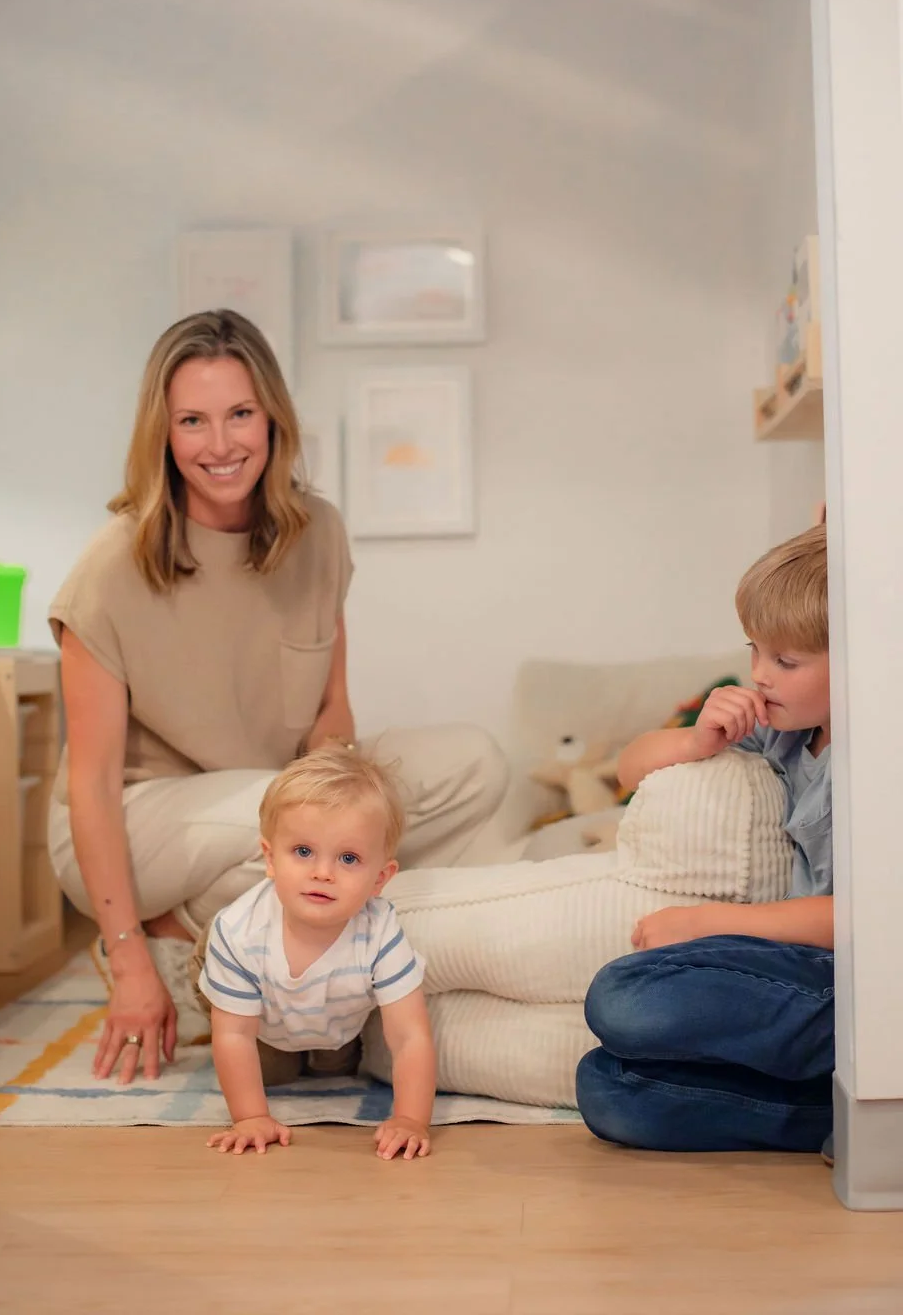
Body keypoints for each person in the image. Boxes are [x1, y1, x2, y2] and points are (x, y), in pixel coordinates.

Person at [46, 309, 507, 1082]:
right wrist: (132, 968)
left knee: (473, 763)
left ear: (273, 419)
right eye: (192, 420)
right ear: (162, 432)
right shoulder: (111, 567)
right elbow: (90, 782)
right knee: (308, 837)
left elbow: (332, 713)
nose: (219, 445)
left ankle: (271, 940)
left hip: (268, 812)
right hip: (138, 820)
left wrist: (341, 799)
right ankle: (152, 928)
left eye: (240, 415)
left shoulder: (317, 532)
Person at [575, 524, 835, 1154]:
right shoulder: (783, 731)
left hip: (858, 981)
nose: (759, 675)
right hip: (804, 969)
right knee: (608, 1088)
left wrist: (705, 923)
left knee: (623, 996)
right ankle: (828, 1117)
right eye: (755, 651)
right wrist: (696, 740)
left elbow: (872, 920)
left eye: (786, 661)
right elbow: (629, 769)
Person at [198, 747, 435, 1161]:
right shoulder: (239, 932)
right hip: (259, 1016)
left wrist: (411, 1119)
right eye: (303, 852)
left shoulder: (380, 930)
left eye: (348, 858)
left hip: (333, 1020)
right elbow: (234, 1035)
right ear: (270, 858)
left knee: (336, 1067)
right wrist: (251, 1117)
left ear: (381, 878)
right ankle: (184, 962)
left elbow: (409, 1035)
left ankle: (318, 1046)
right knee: (270, 1071)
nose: (322, 873)